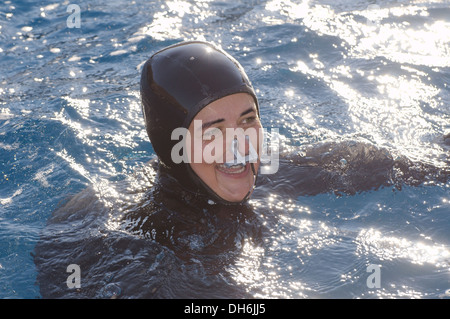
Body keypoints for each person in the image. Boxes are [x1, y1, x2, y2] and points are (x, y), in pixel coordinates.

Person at [34, 41, 448, 298]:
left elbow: (412, 163)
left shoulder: (275, 172)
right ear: (172, 141)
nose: (240, 143)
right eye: (213, 129)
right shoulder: (119, 238)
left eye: (248, 120)